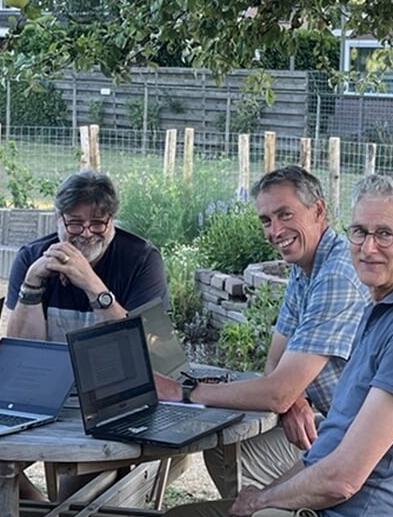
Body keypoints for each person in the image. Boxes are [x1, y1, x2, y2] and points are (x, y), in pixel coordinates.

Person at [107, 173, 393, 517]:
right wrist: (266, 495)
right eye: (361, 232)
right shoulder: (385, 308)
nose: (368, 247)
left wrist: (263, 500)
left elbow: (341, 477)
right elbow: (305, 409)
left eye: (385, 234)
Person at [152, 166, 369, 497]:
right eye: (266, 221)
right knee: (229, 444)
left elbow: (276, 392)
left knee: (236, 452)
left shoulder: (337, 274)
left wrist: (183, 393)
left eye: (285, 214)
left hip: (366, 445)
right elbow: (274, 363)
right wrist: (295, 397)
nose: (275, 230)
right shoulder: (305, 267)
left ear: (319, 210)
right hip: (341, 425)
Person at [4, 170, 166, 340]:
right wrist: (31, 284)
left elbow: (154, 354)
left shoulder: (143, 260)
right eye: (75, 223)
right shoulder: (31, 257)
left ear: (112, 220)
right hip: (49, 366)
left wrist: (91, 283)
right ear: (58, 219)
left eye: (97, 223)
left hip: (113, 366)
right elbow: (22, 352)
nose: (87, 234)